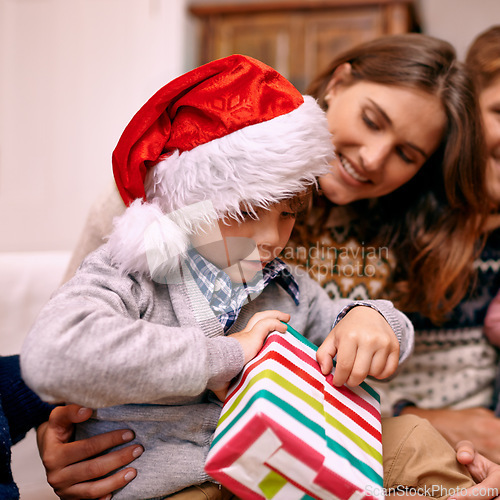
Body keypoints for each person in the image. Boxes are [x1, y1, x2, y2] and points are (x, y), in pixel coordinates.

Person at [34, 33, 495, 498]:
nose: (271, 239)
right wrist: (53, 431)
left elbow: (353, 323)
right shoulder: (135, 252)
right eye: (372, 120)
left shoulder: (291, 279)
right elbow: (65, 356)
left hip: (304, 447)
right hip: (176, 471)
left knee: (411, 441)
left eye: (406, 154)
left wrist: (374, 318)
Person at [376, 25, 500, 464]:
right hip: (378, 432)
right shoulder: (397, 208)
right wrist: (418, 417)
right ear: (464, 114)